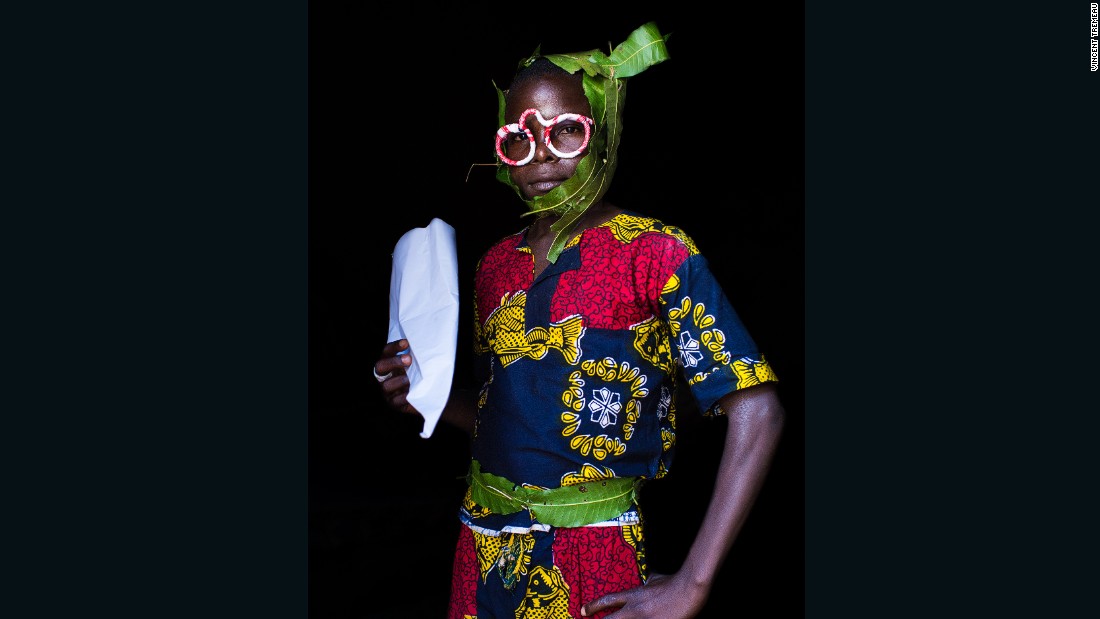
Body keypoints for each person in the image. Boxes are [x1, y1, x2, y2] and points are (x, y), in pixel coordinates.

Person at [373, 23, 785, 619]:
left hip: (591, 552)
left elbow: (758, 408)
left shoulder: (655, 251)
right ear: (503, 155)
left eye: (566, 131)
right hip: (482, 547)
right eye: (521, 139)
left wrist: (694, 583)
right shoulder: (496, 266)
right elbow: (511, 410)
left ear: (603, 136)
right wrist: (424, 397)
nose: (543, 157)